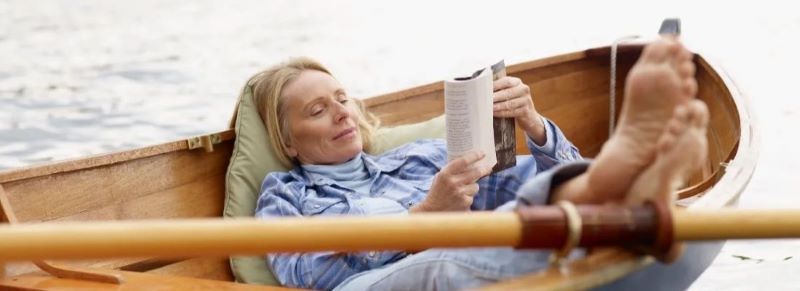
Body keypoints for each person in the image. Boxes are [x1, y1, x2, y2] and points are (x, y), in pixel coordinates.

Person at [253, 36, 708, 290]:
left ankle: (616, 176)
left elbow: (530, 179)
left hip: (486, 249)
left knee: (521, 207)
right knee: (448, 263)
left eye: (341, 99)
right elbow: (306, 270)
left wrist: (535, 127)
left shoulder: (420, 158)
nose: (340, 113)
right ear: (288, 142)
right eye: (317, 111)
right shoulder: (286, 193)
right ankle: (621, 185)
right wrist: (423, 221)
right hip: (373, 286)